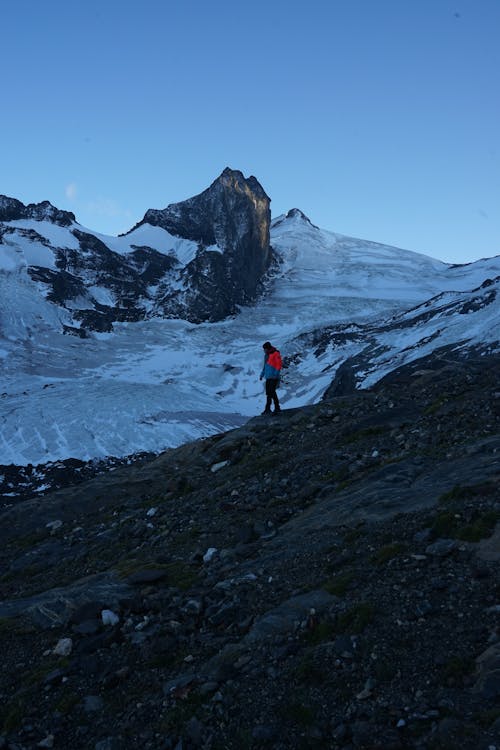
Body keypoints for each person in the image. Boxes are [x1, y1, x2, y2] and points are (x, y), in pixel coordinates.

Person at [260, 341, 282, 414]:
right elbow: (265, 366)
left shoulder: (276, 353)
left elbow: (278, 365)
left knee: (272, 392)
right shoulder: (266, 355)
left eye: (264, 349)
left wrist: (275, 374)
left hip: (274, 377)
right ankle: (268, 409)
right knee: (269, 393)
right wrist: (262, 374)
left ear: (268, 348)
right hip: (268, 377)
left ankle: (276, 408)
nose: (264, 350)